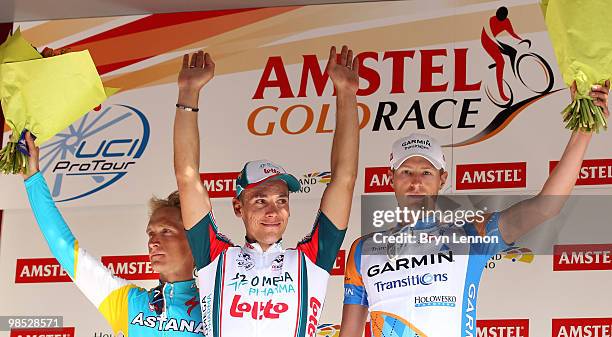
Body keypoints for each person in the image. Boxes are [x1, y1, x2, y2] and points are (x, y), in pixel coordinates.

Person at [340, 81, 610, 337]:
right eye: (406, 171)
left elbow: (545, 207)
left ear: (442, 179)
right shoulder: (364, 250)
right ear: (391, 178)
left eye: (426, 172)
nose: (416, 182)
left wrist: (583, 131)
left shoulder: (470, 236)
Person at [172, 45, 359, 336]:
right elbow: (187, 177)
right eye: (260, 200)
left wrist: (346, 93)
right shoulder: (216, 257)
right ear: (239, 207)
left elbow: (344, 179)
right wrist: (188, 93)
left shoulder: (310, 260)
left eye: (281, 200)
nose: (274, 211)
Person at [21, 133, 203, 336]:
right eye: (150, 233)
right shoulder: (126, 302)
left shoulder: (216, 306)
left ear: (193, 239)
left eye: (166, 231)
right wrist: (33, 179)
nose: (153, 242)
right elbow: (65, 249)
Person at [481, 6, 529, 101]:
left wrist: (522, 40)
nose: (500, 18)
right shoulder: (491, 20)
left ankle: (515, 72)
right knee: (501, 62)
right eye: (499, 16)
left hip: (496, 41)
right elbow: (489, 35)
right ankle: (501, 92)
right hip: (487, 40)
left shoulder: (506, 21)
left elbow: (512, 33)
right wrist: (502, 49)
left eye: (502, 16)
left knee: (513, 52)